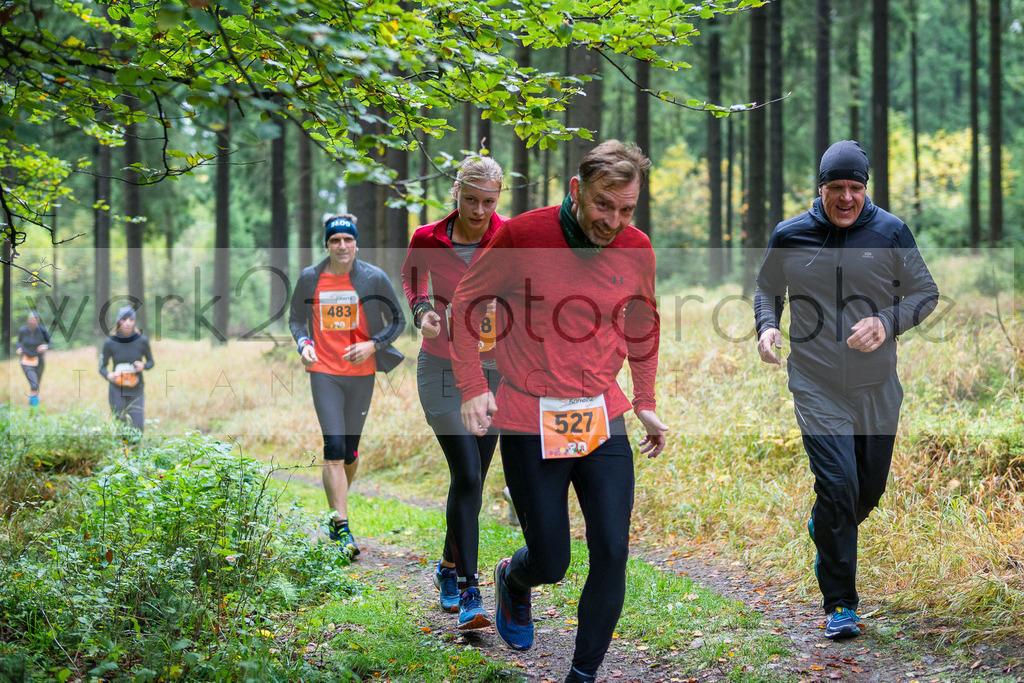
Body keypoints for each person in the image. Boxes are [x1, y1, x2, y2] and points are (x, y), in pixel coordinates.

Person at [451, 140, 669, 683]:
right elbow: (464, 306)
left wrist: (645, 401)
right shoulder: (522, 236)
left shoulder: (636, 247)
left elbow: (642, 323)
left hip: (600, 414)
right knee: (551, 560)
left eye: (626, 209)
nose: (614, 221)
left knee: (612, 551)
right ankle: (515, 578)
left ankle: (583, 673)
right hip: (529, 417)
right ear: (576, 190)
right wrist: (473, 385)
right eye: (603, 205)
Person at [754, 140, 939, 639]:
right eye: (835, 187)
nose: (845, 198)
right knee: (838, 486)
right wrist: (767, 326)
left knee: (866, 490)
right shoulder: (790, 233)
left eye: (854, 188)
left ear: (865, 189)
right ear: (821, 187)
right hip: (815, 383)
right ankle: (841, 605)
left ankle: (826, 526)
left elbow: (925, 293)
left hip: (877, 384)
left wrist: (887, 320)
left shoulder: (890, 230)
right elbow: (767, 288)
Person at [401, 156, 508, 630]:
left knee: (474, 479)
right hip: (441, 366)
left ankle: (446, 566)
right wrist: (422, 308)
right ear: (456, 192)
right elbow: (412, 276)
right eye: (471, 199)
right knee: (466, 470)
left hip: (494, 369)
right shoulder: (428, 237)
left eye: (489, 201)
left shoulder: (510, 237)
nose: (480, 210)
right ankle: (470, 591)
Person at [289, 213, 406, 558]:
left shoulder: (373, 278)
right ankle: (342, 526)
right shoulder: (311, 278)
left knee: (351, 452)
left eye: (348, 240)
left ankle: (334, 511)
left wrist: (374, 345)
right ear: (327, 245)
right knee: (334, 446)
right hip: (324, 371)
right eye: (335, 240)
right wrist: (303, 343)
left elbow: (397, 320)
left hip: (362, 373)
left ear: (356, 243)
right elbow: (296, 318)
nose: (342, 246)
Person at [99, 306, 154, 433]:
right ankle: (122, 451)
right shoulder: (110, 343)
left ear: (134, 322)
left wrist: (143, 366)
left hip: (136, 389)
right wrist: (108, 375)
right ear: (119, 322)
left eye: (131, 319)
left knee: (138, 427)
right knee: (120, 426)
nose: (127, 323)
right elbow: (101, 367)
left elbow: (151, 362)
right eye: (124, 319)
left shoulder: (142, 341)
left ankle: (136, 451)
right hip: (117, 389)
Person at [16, 311, 51, 409]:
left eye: (35, 319)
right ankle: (35, 412)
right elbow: (18, 342)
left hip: (39, 360)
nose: (33, 321)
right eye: (31, 318)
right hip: (26, 360)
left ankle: (32, 408)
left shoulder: (42, 330)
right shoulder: (22, 330)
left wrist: (45, 346)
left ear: (38, 320)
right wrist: (18, 349)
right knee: (34, 384)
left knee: (35, 386)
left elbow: (50, 343)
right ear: (28, 319)